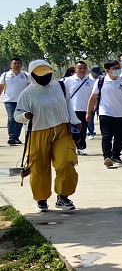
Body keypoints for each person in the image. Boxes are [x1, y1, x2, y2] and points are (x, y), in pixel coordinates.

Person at [15, 60, 81, 212]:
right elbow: (17, 115)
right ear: (32, 75)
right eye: (40, 75)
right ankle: (41, 199)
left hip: (62, 130)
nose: (44, 78)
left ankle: (63, 197)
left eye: (47, 74)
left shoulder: (60, 86)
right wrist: (25, 115)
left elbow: (68, 104)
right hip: (38, 133)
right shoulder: (27, 94)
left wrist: (75, 120)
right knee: (39, 168)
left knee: (66, 163)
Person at [86, 61, 122, 167]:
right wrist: (88, 113)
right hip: (105, 113)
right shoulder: (100, 82)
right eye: (114, 68)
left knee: (119, 137)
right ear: (107, 71)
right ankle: (107, 156)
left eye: (118, 68)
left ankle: (116, 156)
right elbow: (93, 98)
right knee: (106, 135)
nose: (118, 70)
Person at [62, 61, 94, 155]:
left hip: (85, 110)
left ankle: (81, 148)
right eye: (79, 68)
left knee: (83, 130)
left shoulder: (91, 81)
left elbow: (94, 96)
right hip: (71, 110)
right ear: (75, 69)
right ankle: (70, 148)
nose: (82, 70)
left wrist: (92, 107)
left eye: (84, 68)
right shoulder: (68, 81)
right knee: (71, 130)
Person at [2, 57, 31, 145]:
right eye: (14, 63)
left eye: (18, 63)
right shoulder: (5, 75)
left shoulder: (26, 75)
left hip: (22, 100)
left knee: (20, 118)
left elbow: (30, 87)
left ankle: (16, 137)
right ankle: (11, 137)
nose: (16, 65)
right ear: (11, 65)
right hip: (9, 100)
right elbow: (1, 87)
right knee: (11, 118)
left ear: (21, 65)